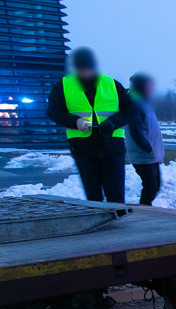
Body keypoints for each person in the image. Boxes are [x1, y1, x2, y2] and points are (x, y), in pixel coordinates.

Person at [47, 47, 133, 203]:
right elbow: (53, 111)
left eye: (88, 68)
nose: (85, 73)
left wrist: (113, 122)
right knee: (93, 197)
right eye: (81, 69)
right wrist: (75, 122)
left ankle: (119, 224)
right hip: (82, 148)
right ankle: (99, 223)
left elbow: (130, 109)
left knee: (116, 195)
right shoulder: (64, 85)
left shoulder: (112, 84)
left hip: (112, 146)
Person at [125, 73, 164, 205]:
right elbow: (133, 127)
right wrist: (145, 145)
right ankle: (143, 211)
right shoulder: (134, 102)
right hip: (143, 154)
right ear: (141, 86)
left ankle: (145, 208)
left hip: (150, 154)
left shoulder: (144, 103)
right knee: (151, 186)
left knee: (155, 185)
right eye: (149, 86)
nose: (152, 89)